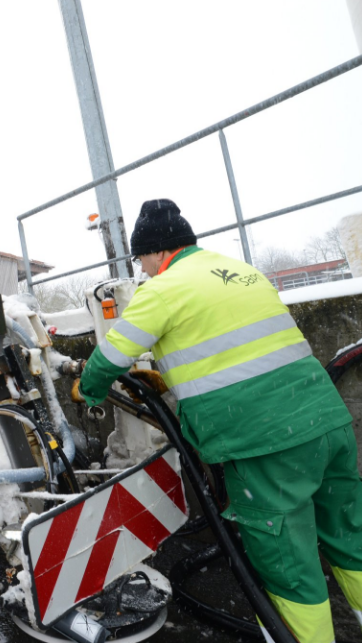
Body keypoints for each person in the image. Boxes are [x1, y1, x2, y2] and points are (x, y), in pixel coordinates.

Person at [73, 199, 361, 643]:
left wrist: (87, 389)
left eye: (141, 260)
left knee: (289, 571)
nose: (142, 270)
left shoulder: (162, 289)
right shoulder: (242, 272)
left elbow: (110, 357)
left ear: (157, 251)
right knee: (350, 539)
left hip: (267, 444)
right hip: (327, 424)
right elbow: (231, 345)